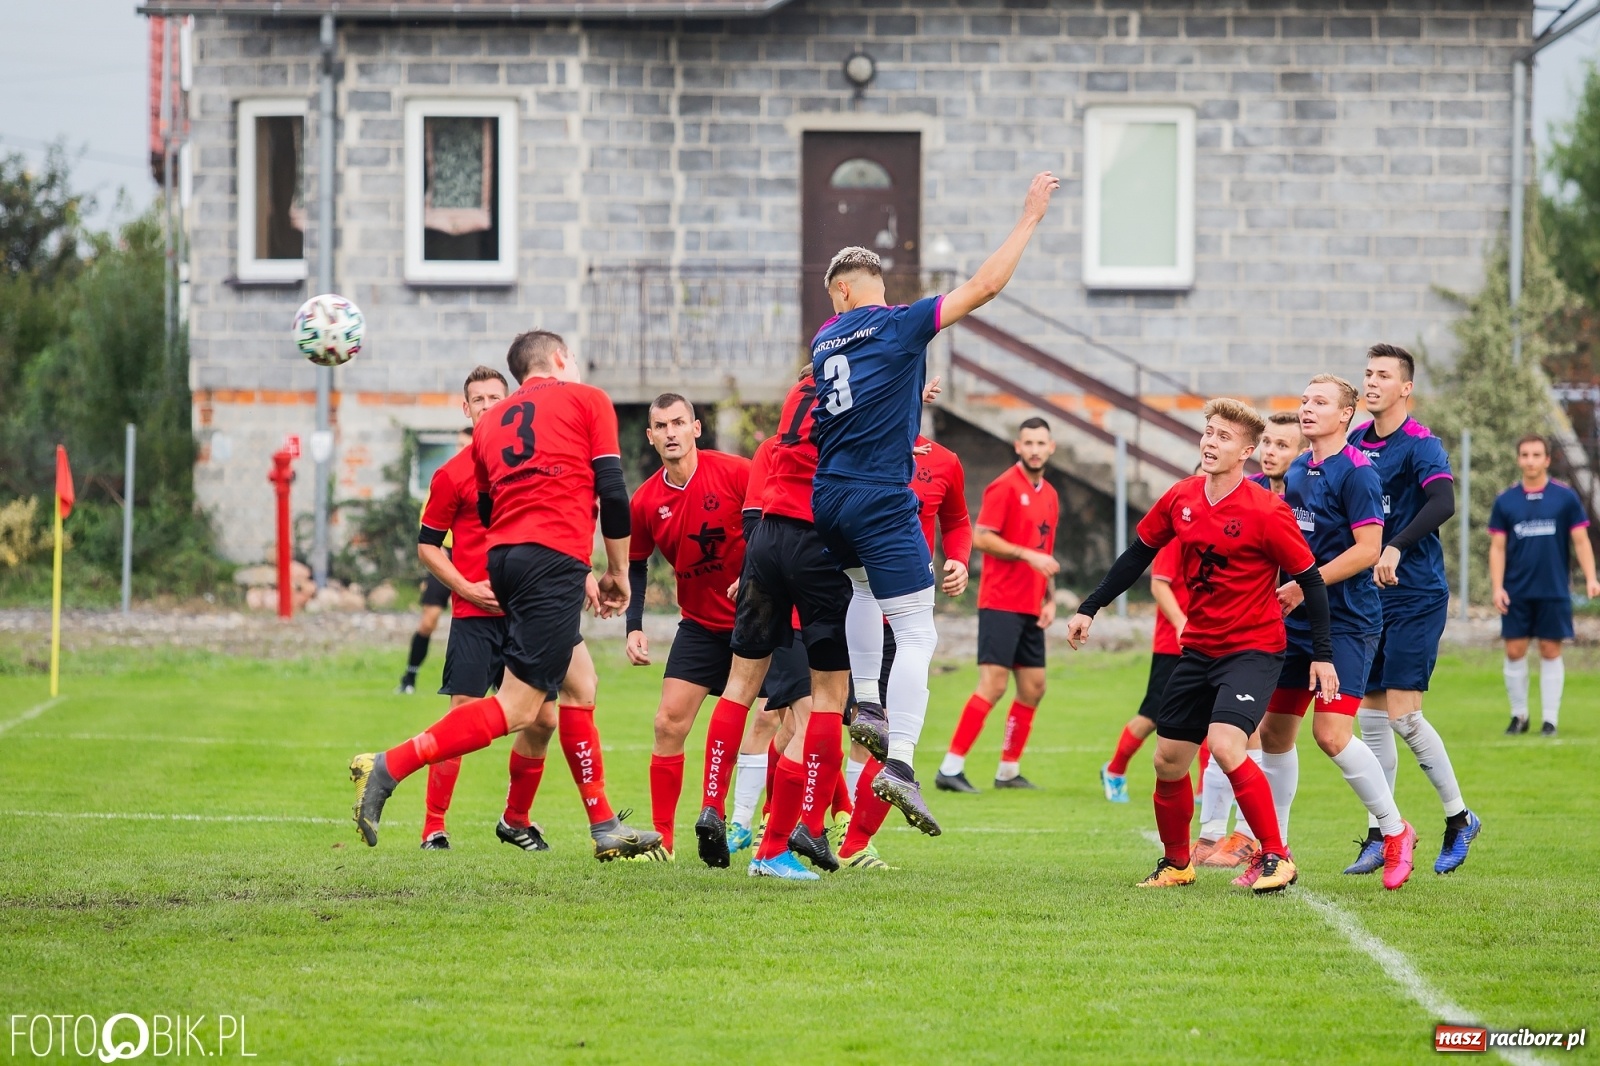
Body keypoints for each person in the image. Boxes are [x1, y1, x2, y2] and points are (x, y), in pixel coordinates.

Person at [349, 331, 660, 861]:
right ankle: (390, 765)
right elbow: (612, 490)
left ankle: (602, 824)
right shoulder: (588, 399)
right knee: (517, 710)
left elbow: (491, 510)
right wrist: (615, 571)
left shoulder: (492, 422)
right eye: (574, 357)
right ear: (560, 360)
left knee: (580, 683)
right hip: (548, 561)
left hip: (508, 561)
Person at [811, 171, 1060, 833]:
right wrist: (1029, 218)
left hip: (827, 497)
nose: (891, 297)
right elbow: (984, 287)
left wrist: (908, 387)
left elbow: (857, 396)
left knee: (864, 591)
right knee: (919, 630)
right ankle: (901, 763)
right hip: (877, 496)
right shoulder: (894, 326)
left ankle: (866, 703)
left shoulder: (824, 342)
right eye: (879, 288)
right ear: (850, 291)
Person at [1066, 398, 1323, 894]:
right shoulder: (1181, 497)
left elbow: (1311, 580)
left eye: (1223, 436)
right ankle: (1177, 863)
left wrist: (1325, 654)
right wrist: (1089, 607)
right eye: (1208, 432)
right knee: (1167, 760)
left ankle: (1277, 856)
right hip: (1198, 649)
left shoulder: (1268, 510)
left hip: (1253, 649)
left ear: (1246, 451)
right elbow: (1137, 555)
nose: (1210, 442)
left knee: (1226, 746)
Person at [691, 369, 855, 880]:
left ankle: (715, 807)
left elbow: (754, 514)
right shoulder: (858, 399)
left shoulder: (792, 406)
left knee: (744, 689)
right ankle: (794, 833)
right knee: (826, 703)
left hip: (766, 549)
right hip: (815, 548)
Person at [1255, 375, 1415, 892]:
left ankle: (1395, 831)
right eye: (1303, 400)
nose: (1306, 408)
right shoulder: (1300, 467)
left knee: (1330, 735)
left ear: (1344, 414)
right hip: (1297, 622)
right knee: (1275, 734)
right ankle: (1274, 854)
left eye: (1319, 402)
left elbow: (1369, 550)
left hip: (1347, 623)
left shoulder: (1358, 472)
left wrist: (1307, 584)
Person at [1349, 344, 1482, 877]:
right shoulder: (1356, 441)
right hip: (1368, 596)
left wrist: (1396, 545)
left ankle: (1458, 818)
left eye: (1383, 375)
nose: (1372, 382)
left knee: (1404, 714)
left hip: (1415, 593)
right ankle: (1385, 831)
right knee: (1371, 715)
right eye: (1367, 374)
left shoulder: (1421, 444)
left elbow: (1443, 502)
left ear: (1406, 387)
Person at [625, 394, 753, 860]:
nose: (672, 432)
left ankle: (782, 826)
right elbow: (635, 566)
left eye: (680, 422)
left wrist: (754, 574)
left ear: (697, 428)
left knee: (782, 725)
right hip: (700, 625)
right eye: (662, 425)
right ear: (652, 436)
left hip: (759, 622)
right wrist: (633, 626)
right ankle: (663, 840)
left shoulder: (737, 472)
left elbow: (770, 524)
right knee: (667, 723)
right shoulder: (644, 501)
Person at [838, 432, 971, 869]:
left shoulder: (945, 459)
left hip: (898, 620)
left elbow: (957, 520)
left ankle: (854, 841)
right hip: (843, 605)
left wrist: (959, 558)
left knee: (877, 736)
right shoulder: (856, 440)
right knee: (796, 719)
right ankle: (775, 829)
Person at [937, 418, 1057, 793]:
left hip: (1031, 604)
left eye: (1042, 442)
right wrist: (1027, 557)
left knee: (1034, 687)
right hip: (1001, 602)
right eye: (1029, 442)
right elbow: (983, 537)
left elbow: (1045, 552)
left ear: (1051, 447)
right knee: (993, 684)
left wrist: (1050, 596)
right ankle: (950, 768)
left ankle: (1008, 770)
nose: (1035, 449)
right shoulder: (1003, 486)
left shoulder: (1050, 493)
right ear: (1017, 447)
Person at [1491, 434, 1599, 737]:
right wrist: (1497, 586)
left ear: (1547, 460)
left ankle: (1550, 720)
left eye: (1537, 455)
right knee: (1514, 651)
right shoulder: (1506, 500)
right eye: (1525, 455)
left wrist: (1591, 578)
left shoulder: (1565, 498)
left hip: (1553, 590)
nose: (1530, 460)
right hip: (1516, 590)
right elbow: (1497, 548)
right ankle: (1519, 715)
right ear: (1518, 459)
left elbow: (1580, 540)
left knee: (1551, 651)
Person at [398, 555, 453, 694]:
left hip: (473, 554)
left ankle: (498, 678)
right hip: (444, 558)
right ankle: (409, 678)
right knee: (428, 623)